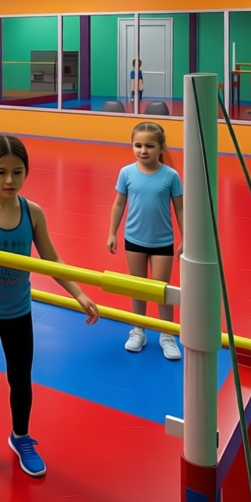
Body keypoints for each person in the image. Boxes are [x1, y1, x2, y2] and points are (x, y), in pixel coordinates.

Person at [0, 135, 100, 488]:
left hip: (17, 313)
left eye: (17, 172)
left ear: (26, 171)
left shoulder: (32, 212)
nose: (9, 180)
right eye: (1, 172)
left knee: (21, 379)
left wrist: (78, 293)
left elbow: (52, 259)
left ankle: (20, 436)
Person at [106, 122, 184, 360]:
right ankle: (138, 329)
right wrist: (112, 232)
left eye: (149, 146)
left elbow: (180, 209)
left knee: (162, 289)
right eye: (138, 145)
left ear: (161, 147)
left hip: (162, 241)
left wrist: (186, 238)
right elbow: (119, 203)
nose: (143, 150)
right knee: (137, 286)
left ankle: (167, 334)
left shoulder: (170, 176)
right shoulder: (126, 173)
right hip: (134, 238)